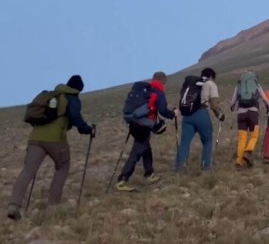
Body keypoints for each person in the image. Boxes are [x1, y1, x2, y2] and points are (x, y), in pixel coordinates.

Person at [8, 75, 95, 221]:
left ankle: (13, 205)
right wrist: (88, 129)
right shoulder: (71, 97)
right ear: (78, 89)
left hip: (35, 138)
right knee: (63, 166)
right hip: (56, 139)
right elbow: (75, 118)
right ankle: (52, 205)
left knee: (28, 171)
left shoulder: (50, 95)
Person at [116, 72, 177, 191]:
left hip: (134, 122)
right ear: (163, 81)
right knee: (137, 151)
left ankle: (149, 173)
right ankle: (123, 179)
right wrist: (173, 114)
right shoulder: (157, 91)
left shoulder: (144, 90)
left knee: (146, 148)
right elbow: (163, 110)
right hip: (143, 125)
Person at [176, 68, 224, 172]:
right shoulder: (210, 84)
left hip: (187, 115)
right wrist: (219, 115)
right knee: (207, 141)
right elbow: (214, 105)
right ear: (211, 76)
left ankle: (179, 168)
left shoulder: (192, 83)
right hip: (201, 113)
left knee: (184, 142)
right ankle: (206, 167)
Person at [229, 71, 269, 168]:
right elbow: (264, 98)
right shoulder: (256, 84)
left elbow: (233, 101)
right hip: (253, 113)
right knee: (254, 135)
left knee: (242, 138)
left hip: (241, 114)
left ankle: (239, 161)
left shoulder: (239, 85)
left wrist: (232, 107)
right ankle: (248, 151)